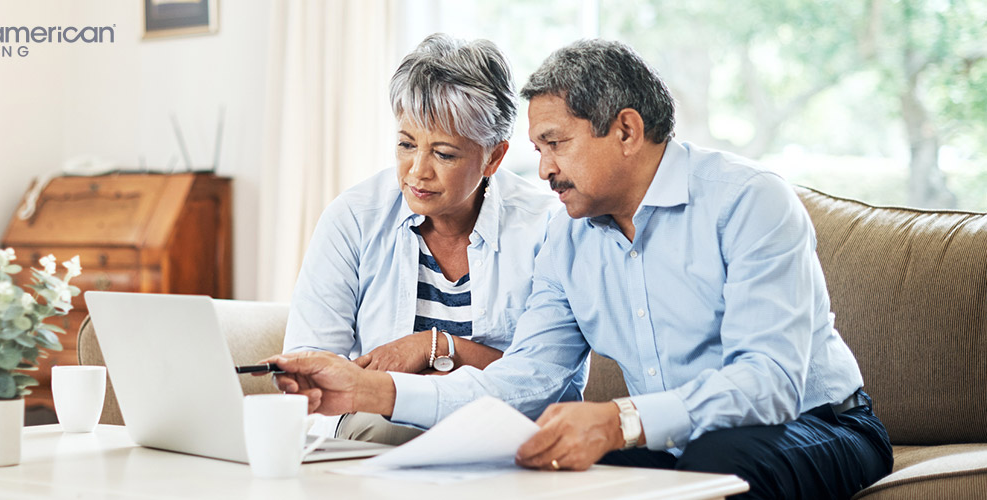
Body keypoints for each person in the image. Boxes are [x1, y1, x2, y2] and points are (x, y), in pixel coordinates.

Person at [265, 39, 894, 499]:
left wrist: (622, 420)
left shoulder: (748, 201)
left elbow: (770, 382)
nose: (541, 171)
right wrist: (375, 391)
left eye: (556, 144)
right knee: (570, 479)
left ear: (625, 130)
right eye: (538, 149)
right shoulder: (565, 239)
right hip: (674, 440)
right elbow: (525, 383)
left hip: (818, 422)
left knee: (713, 464)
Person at [281, 33, 576, 446]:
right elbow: (310, 363)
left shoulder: (546, 227)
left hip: (502, 433)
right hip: (377, 433)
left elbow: (545, 380)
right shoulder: (353, 217)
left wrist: (434, 346)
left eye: (444, 154)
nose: (417, 171)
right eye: (405, 144)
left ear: (493, 156)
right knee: (381, 428)